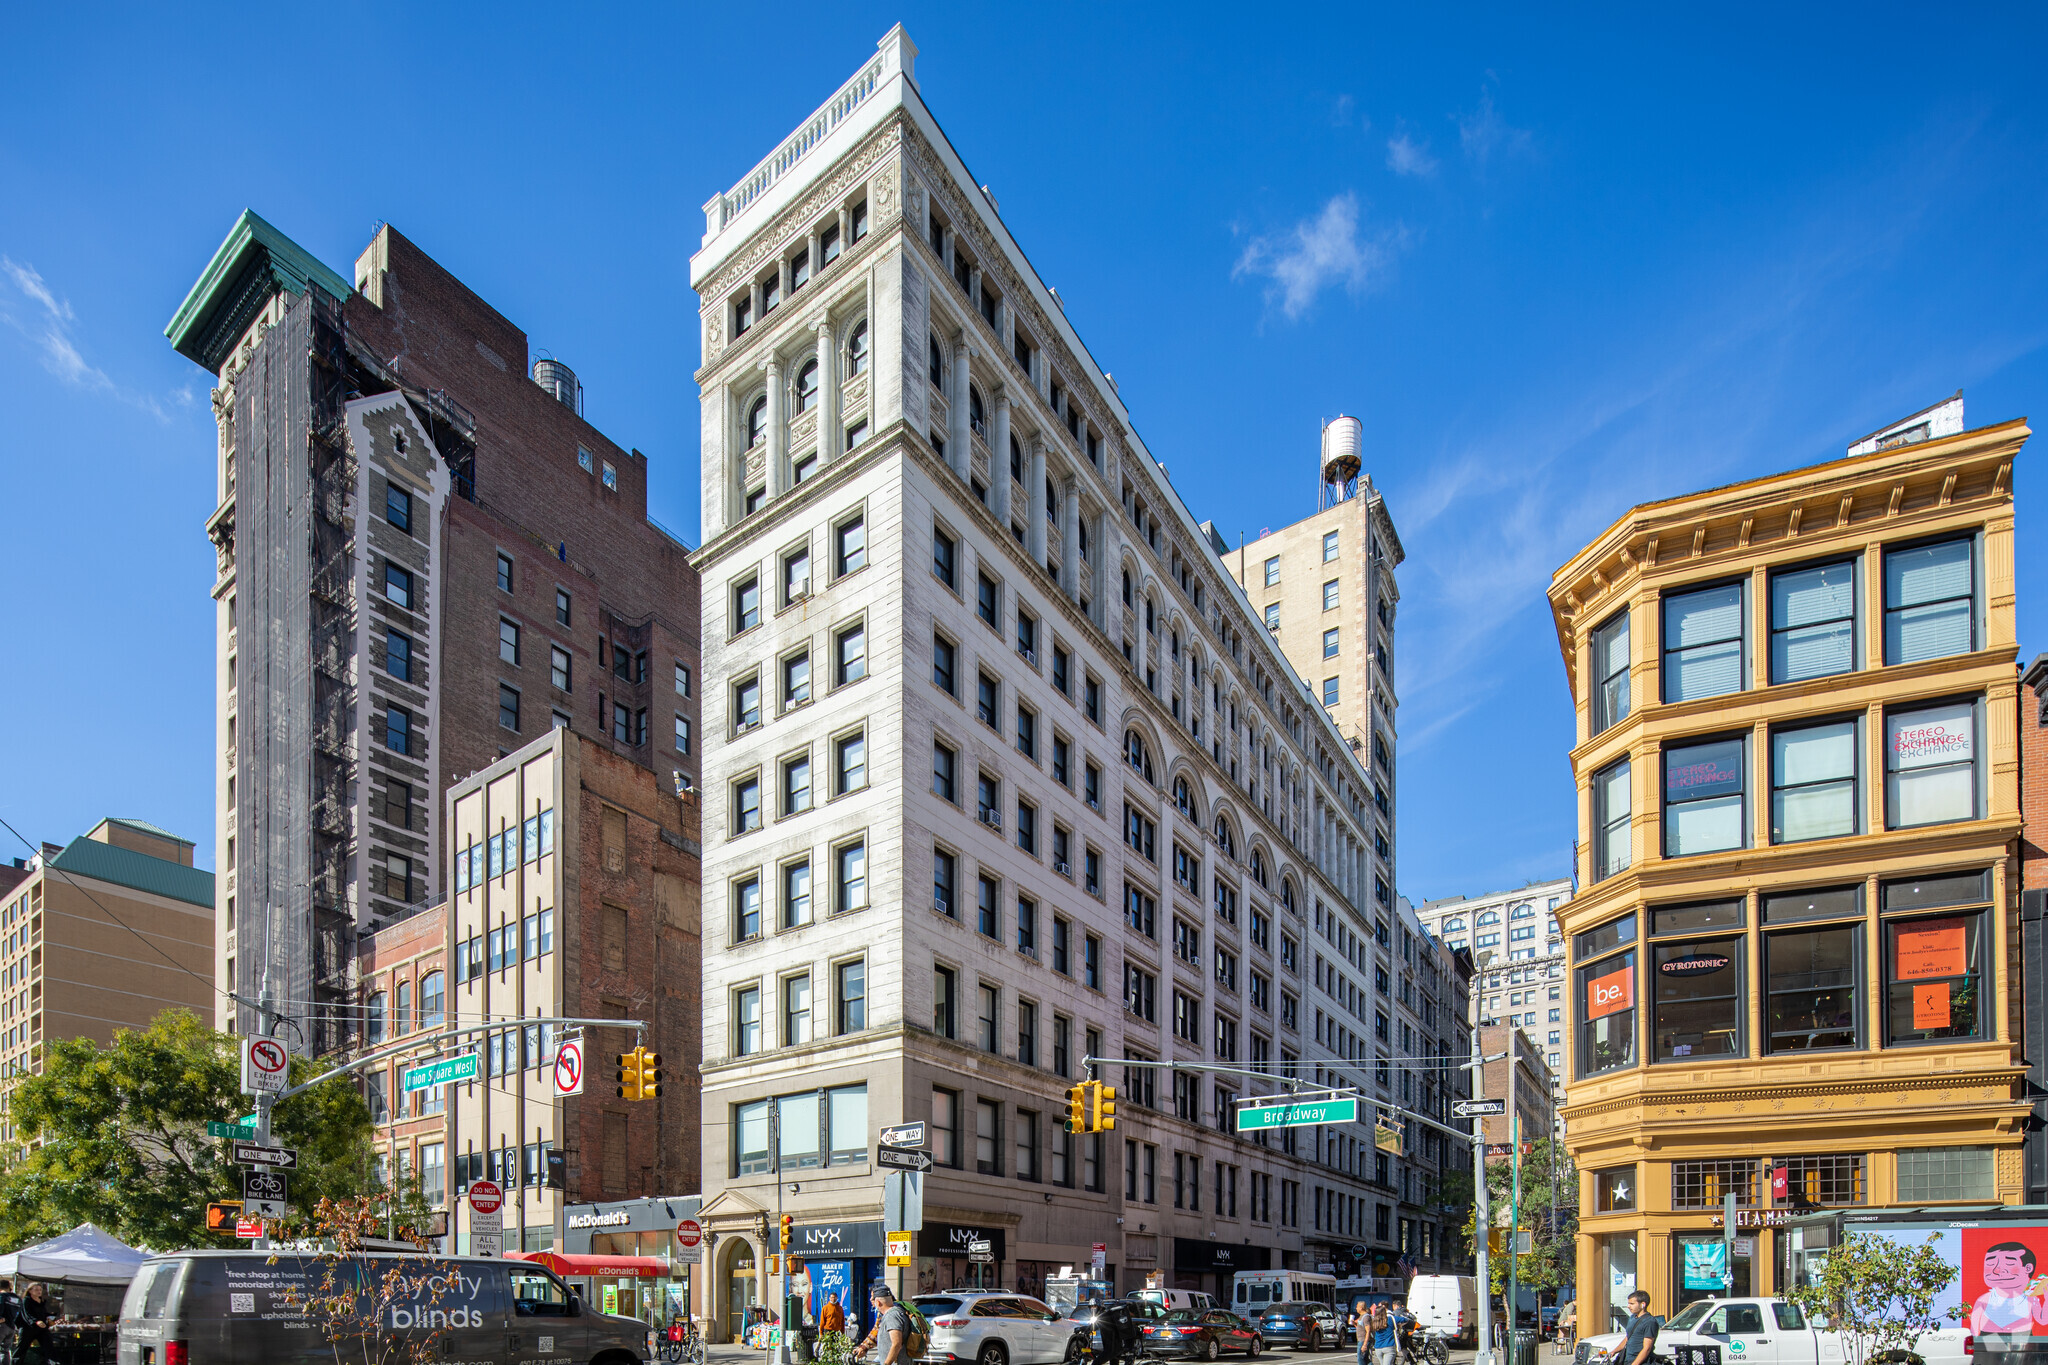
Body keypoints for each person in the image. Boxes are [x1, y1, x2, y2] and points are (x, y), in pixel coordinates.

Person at [859, 1285, 912, 1365]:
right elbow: (876, 1332)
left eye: (873, 1298)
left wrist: (887, 1363)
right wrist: (864, 1347)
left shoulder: (892, 1316)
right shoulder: (887, 1314)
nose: (870, 1300)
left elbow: (897, 1344)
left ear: (878, 1302)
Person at [17, 1282, 55, 1363]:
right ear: (30, 1291)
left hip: (41, 1329)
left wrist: (49, 1317)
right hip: (28, 1328)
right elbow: (27, 1314)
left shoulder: (42, 1301)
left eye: (40, 1290)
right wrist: (36, 1321)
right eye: (36, 1289)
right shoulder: (26, 1300)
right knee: (21, 1349)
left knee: (48, 1346)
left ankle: (49, 1362)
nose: (39, 1291)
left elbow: (42, 1314)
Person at [1622, 1291, 1658, 1365]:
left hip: (1642, 1362)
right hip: (1628, 1360)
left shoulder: (1649, 1322)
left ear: (1643, 1304)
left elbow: (1647, 1348)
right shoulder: (1632, 1318)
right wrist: (1613, 1352)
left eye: (1632, 1304)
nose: (1628, 1306)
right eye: (1628, 1303)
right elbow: (1628, 1338)